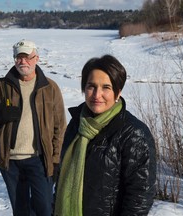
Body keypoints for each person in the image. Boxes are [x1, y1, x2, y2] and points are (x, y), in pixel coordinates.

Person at [54, 54, 156, 215]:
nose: (96, 95)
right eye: (91, 86)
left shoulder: (134, 134)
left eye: (106, 88)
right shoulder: (76, 124)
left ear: (118, 92)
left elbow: (139, 198)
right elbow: (62, 178)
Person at [0, 39, 66, 216]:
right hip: (10, 161)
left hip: (40, 159)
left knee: (44, 208)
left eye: (27, 57)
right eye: (18, 57)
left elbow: (60, 127)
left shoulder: (50, 88)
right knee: (20, 210)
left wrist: (56, 159)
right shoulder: (2, 86)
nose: (23, 62)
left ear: (36, 58)